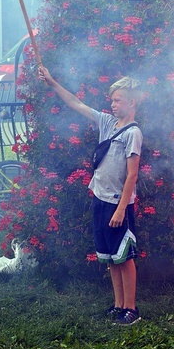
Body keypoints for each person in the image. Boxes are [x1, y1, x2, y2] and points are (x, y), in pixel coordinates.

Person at [39, 66, 144, 326]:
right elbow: (75, 103)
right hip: (100, 198)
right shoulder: (107, 122)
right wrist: (52, 83)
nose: (112, 104)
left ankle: (131, 308)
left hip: (118, 205)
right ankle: (118, 304)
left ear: (131, 102)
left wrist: (121, 209)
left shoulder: (133, 133)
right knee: (111, 257)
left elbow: (132, 175)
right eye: (112, 99)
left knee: (124, 257)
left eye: (117, 100)